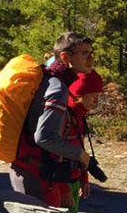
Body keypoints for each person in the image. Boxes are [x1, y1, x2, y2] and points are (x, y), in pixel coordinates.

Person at [11, 32, 96, 205]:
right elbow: (45, 137)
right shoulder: (57, 89)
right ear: (65, 57)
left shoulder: (49, 77)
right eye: (85, 53)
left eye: (92, 52)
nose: (91, 58)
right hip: (37, 173)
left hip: (29, 166)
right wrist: (80, 154)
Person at [44, 70, 104, 212]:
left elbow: (79, 151)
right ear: (79, 95)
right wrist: (64, 189)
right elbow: (54, 154)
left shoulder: (79, 116)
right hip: (59, 183)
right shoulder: (64, 116)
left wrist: (84, 179)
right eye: (93, 96)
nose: (96, 102)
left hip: (74, 179)